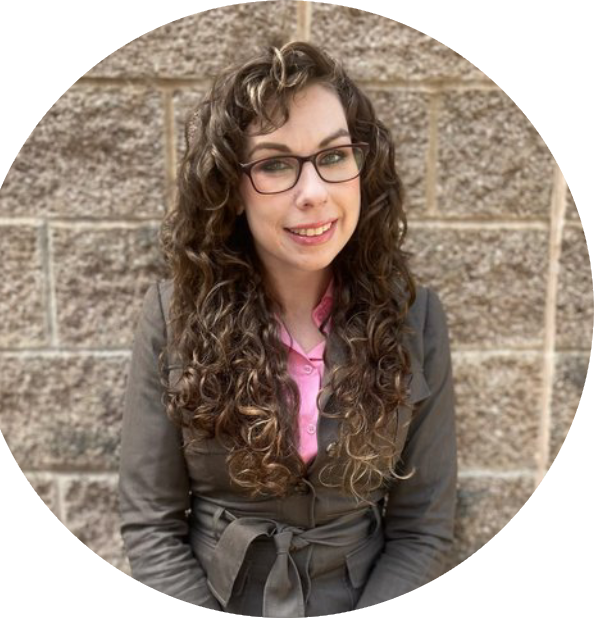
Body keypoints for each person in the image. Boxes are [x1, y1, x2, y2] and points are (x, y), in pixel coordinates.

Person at [118, 40, 458, 616]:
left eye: (333, 156)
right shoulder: (172, 315)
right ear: (230, 189)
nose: (314, 193)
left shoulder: (416, 317)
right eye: (275, 163)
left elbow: (422, 529)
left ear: (360, 167)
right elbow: (151, 526)